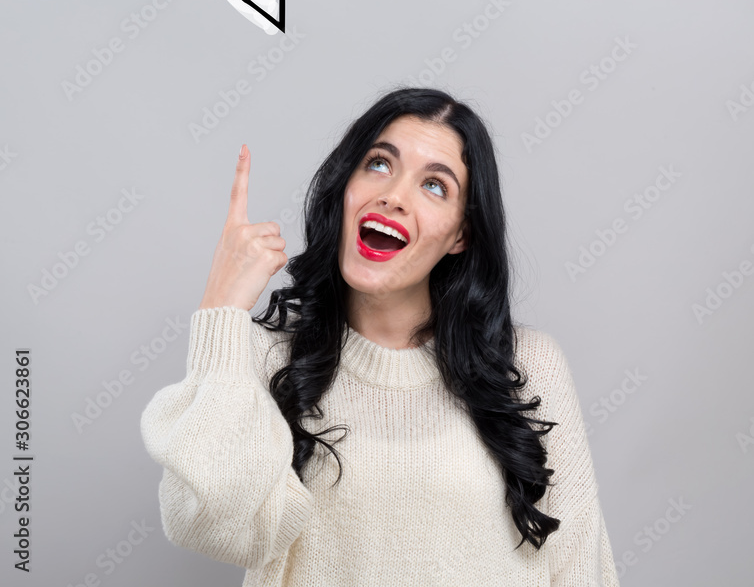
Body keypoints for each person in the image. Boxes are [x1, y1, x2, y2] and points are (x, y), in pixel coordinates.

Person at [140, 87, 619, 586]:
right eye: (379, 164)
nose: (394, 195)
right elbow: (213, 529)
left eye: (435, 186)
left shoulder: (528, 366)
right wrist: (221, 312)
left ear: (461, 234)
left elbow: (578, 563)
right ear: (346, 185)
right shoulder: (265, 360)